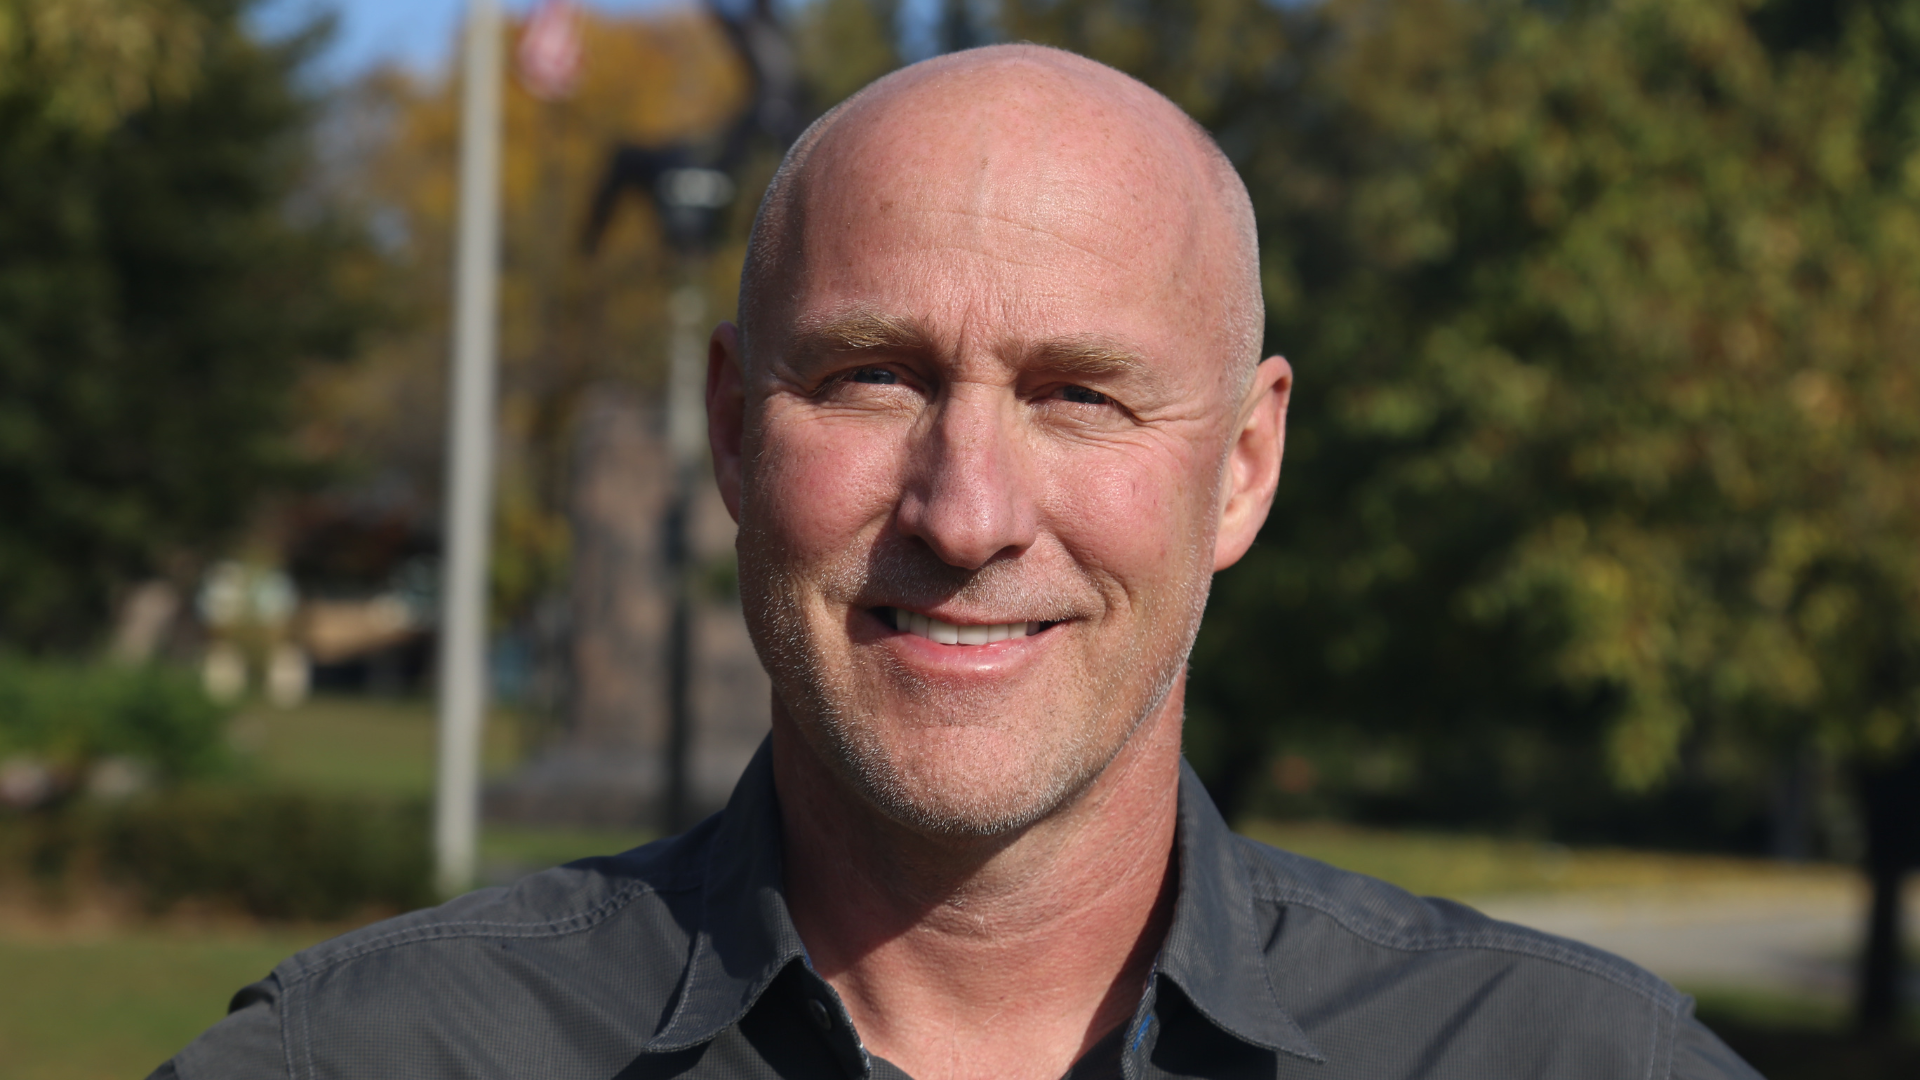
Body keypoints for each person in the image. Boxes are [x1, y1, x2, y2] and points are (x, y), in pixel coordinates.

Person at [153, 45, 1763, 1080]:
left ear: (1243, 468)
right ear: (733, 431)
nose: (967, 509)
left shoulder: (1570, 1061)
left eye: (1080, 395)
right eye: (874, 377)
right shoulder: (364, 1061)